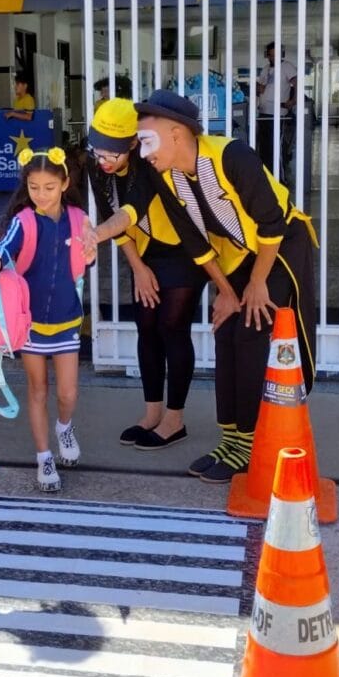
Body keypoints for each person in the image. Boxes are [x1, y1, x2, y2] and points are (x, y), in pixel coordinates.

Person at [83, 90, 317, 485]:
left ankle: (250, 443)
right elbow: (194, 243)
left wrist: (257, 283)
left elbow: (272, 224)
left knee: (250, 334)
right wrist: (225, 290)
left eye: (147, 141)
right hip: (237, 259)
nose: (142, 153)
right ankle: (232, 438)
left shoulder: (232, 156)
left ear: (177, 134)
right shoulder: (165, 175)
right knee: (225, 334)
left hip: (278, 251)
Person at [87, 98, 208, 449]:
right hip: (145, 250)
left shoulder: (150, 160)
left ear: (133, 143)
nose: (103, 160)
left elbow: (131, 208)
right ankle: (152, 413)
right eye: (98, 150)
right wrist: (138, 268)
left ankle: (174, 419)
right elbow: (112, 214)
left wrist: (96, 235)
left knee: (172, 327)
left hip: (186, 247)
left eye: (112, 152)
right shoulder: (98, 164)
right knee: (147, 326)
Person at [0, 148, 94, 493]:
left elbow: (87, 257)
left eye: (49, 187)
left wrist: (90, 254)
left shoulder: (79, 218)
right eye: (34, 187)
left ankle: (64, 427)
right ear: (26, 187)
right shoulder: (24, 220)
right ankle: (44, 456)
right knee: (38, 389)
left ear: (65, 184)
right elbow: (5, 248)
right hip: (29, 323)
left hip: (67, 318)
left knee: (68, 393)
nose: (41, 194)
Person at [256, 41, 297, 174]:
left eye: (276, 55)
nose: (273, 58)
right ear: (267, 55)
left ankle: (279, 176)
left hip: (278, 114)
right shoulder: (265, 69)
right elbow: (261, 88)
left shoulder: (287, 67)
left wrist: (293, 101)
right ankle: (266, 174)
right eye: (271, 55)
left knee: (276, 147)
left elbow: (297, 83)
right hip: (263, 113)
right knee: (264, 147)